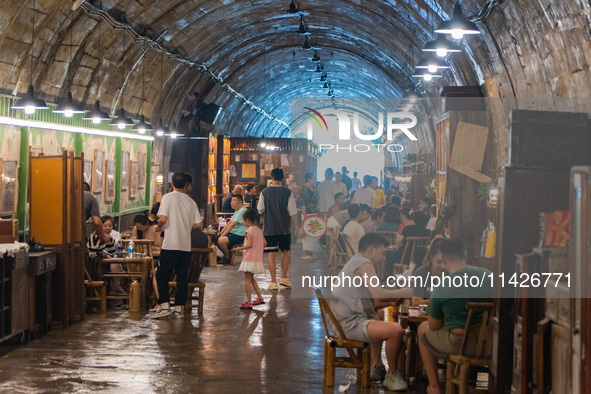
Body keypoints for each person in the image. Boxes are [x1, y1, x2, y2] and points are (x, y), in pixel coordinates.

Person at [329, 233, 411, 391]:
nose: (384, 258)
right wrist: (405, 291)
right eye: (383, 253)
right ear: (371, 249)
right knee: (396, 330)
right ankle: (392, 374)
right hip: (348, 325)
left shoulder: (356, 261)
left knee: (379, 314)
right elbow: (379, 294)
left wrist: (392, 301)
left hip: (342, 321)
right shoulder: (364, 263)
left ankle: (377, 365)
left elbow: (374, 301)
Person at [418, 238, 492, 394]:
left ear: (443, 261)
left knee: (422, 329)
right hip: (490, 344)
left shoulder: (442, 286)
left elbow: (433, 326)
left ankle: (434, 387)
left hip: (461, 344)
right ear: (465, 254)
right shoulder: (487, 275)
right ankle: (464, 383)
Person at [152, 173, 202, 319]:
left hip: (170, 245)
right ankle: (180, 308)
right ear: (187, 185)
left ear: (172, 184)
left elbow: (163, 218)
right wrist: (185, 225)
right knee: (182, 277)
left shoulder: (168, 197)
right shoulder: (191, 202)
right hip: (185, 246)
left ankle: (165, 305)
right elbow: (199, 224)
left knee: (162, 274)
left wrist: (159, 227)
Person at [257, 168, 298, 290]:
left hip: (269, 228)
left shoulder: (264, 192)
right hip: (285, 228)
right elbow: (293, 212)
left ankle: (273, 281)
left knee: (271, 254)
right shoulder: (288, 192)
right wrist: (296, 227)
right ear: (282, 178)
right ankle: (284, 278)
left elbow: (260, 209)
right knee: (285, 252)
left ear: (272, 177)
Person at [233, 208, 266, 309]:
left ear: (247, 220)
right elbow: (265, 243)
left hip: (249, 258)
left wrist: (238, 248)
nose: (243, 222)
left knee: (247, 279)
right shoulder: (259, 230)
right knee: (252, 279)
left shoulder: (248, 231)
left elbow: (250, 245)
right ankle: (260, 298)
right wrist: (258, 249)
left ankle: (248, 302)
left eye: (243, 220)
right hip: (257, 258)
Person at [87, 215, 125, 296]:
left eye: (110, 226)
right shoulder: (94, 236)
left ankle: (115, 286)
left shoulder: (110, 238)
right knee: (115, 260)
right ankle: (116, 286)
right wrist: (106, 256)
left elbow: (112, 252)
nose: (107, 228)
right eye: (105, 226)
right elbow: (93, 253)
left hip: (108, 262)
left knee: (116, 260)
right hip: (95, 264)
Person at [412, 239, 445, 306]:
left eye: (446, 262)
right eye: (439, 262)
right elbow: (416, 303)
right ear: (431, 259)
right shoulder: (421, 273)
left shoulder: (452, 273)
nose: (443, 266)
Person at [217, 194, 248, 264]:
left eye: (234, 201)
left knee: (220, 241)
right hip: (235, 233)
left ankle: (226, 257)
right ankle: (227, 256)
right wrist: (221, 232)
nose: (232, 203)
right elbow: (229, 222)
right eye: (231, 201)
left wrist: (222, 235)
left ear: (240, 202)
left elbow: (233, 224)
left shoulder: (243, 210)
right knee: (218, 238)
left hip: (240, 235)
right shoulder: (238, 210)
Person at [297, 172, 318, 260]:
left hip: (313, 213)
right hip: (307, 214)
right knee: (307, 233)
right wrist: (305, 217)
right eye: (313, 178)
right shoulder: (304, 190)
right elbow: (303, 204)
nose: (315, 180)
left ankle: (310, 252)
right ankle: (305, 252)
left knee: (313, 233)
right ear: (309, 179)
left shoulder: (312, 189)